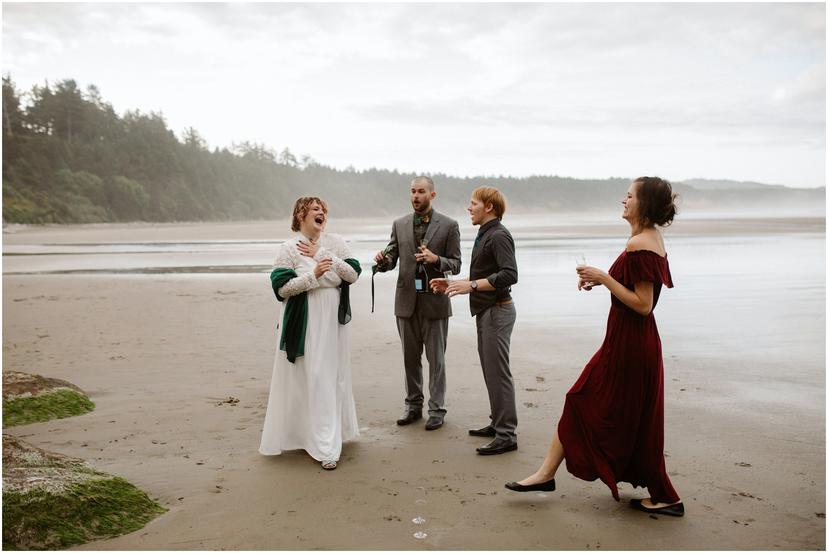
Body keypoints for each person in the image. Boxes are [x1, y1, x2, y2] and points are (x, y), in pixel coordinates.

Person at [505, 176, 684, 517]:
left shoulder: (640, 243)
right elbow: (631, 291)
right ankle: (546, 475)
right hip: (628, 342)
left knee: (582, 399)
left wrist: (604, 278)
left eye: (629, 196)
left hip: (630, 346)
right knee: (628, 416)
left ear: (643, 204)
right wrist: (601, 281)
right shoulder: (646, 239)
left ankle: (547, 476)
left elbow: (644, 304)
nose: (624, 200)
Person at [259, 197, 362, 471]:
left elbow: (351, 275)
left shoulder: (335, 242)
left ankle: (329, 442)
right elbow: (282, 289)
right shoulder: (288, 248)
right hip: (305, 322)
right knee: (311, 376)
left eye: (323, 210)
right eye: (315, 209)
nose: (321, 213)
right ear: (300, 215)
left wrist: (321, 254)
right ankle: (308, 437)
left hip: (333, 323)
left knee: (331, 376)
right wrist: (314, 276)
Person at [431, 186, 519, 455]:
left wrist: (473, 286)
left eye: (473, 204)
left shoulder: (499, 235)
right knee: (491, 372)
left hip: (498, 310)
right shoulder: (486, 233)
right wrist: (452, 284)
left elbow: (509, 275)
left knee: (498, 373)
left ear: (489, 207)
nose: (469, 208)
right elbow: (483, 274)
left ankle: (507, 435)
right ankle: (498, 424)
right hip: (487, 310)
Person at [373, 176, 461, 431]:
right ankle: (413, 406)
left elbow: (456, 263)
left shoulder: (449, 225)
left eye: (421, 192)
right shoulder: (399, 224)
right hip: (405, 301)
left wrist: (436, 260)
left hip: (435, 301)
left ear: (432, 195)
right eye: (412, 192)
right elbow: (391, 258)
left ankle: (436, 410)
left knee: (437, 360)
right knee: (410, 359)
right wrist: (382, 260)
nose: (415, 196)